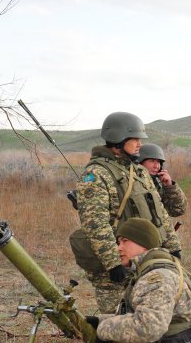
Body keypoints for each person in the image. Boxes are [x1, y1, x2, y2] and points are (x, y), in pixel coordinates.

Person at [75, 112, 182, 314]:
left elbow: (159, 212)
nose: (140, 144)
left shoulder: (139, 172)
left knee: (154, 315)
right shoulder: (97, 174)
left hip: (148, 259)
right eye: (135, 139)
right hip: (120, 262)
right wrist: (113, 263)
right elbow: (95, 224)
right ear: (118, 139)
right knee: (119, 321)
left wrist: (173, 247)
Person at [137, 143, 188, 218]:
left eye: (158, 162)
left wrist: (170, 187)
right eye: (152, 161)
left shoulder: (157, 184)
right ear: (140, 162)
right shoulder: (134, 183)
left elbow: (179, 210)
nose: (156, 166)